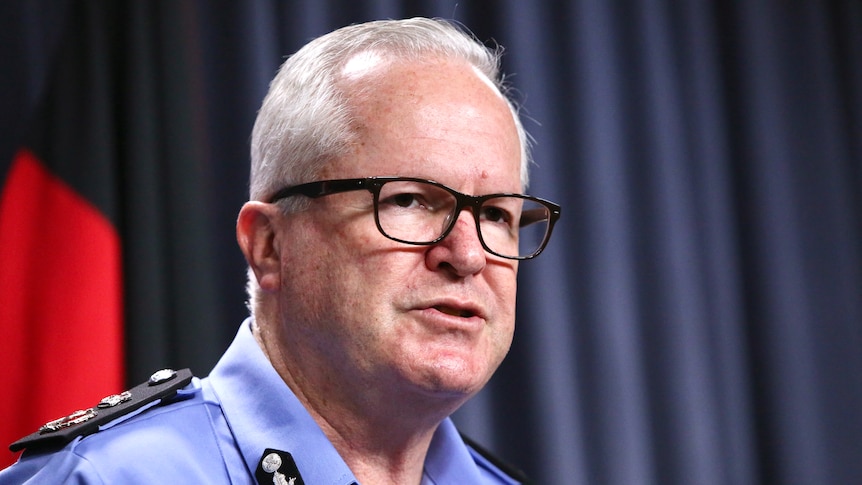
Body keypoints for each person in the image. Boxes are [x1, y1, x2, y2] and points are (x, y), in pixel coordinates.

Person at [1, 17, 560, 484]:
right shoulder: (103, 478)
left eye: (495, 214)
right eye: (410, 201)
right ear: (270, 245)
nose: (466, 256)